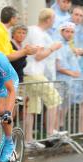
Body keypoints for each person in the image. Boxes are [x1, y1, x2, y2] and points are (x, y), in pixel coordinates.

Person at [23, 8, 62, 149]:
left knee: (32, 107)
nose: (54, 22)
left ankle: (28, 140)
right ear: (48, 20)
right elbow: (38, 56)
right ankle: (50, 132)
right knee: (54, 98)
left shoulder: (32, 30)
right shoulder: (38, 33)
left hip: (29, 73)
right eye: (53, 19)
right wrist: (52, 48)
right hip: (34, 73)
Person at [56, 21, 83, 132]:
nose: (69, 34)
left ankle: (61, 130)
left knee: (64, 109)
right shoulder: (58, 44)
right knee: (58, 108)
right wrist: (72, 73)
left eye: (72, 32)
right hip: (60, 81)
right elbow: (59, 66)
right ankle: (55, 131)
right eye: (67, 31)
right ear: (62, 31)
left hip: (69, 82)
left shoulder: (69, 45)